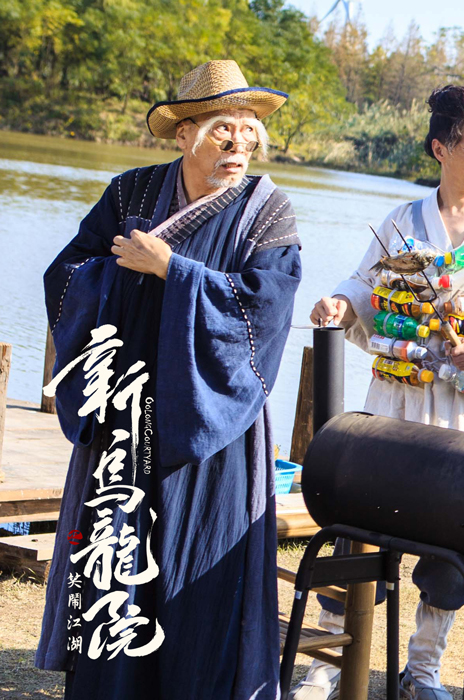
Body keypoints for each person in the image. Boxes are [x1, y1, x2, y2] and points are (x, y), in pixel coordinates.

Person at [37, 60, 300, 699]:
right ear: (182, 134)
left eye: (247, 131)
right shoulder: (131, 194)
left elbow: (266, 306)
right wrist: (119, 279)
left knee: (196, 570)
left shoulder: (267, 212)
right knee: (115, 560)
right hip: (126, 413)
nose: (239, 144)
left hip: (213, 424)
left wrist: (171, 271)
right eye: (221, 129)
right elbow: (66, 274)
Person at [298, 86, 464, 700]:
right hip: (398, 394)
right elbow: (363, 283)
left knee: (455, 536)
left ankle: (423, 669)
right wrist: (338, 301)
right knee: (359, 518)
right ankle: (327, 661)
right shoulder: (402, 221)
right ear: (440, 149)